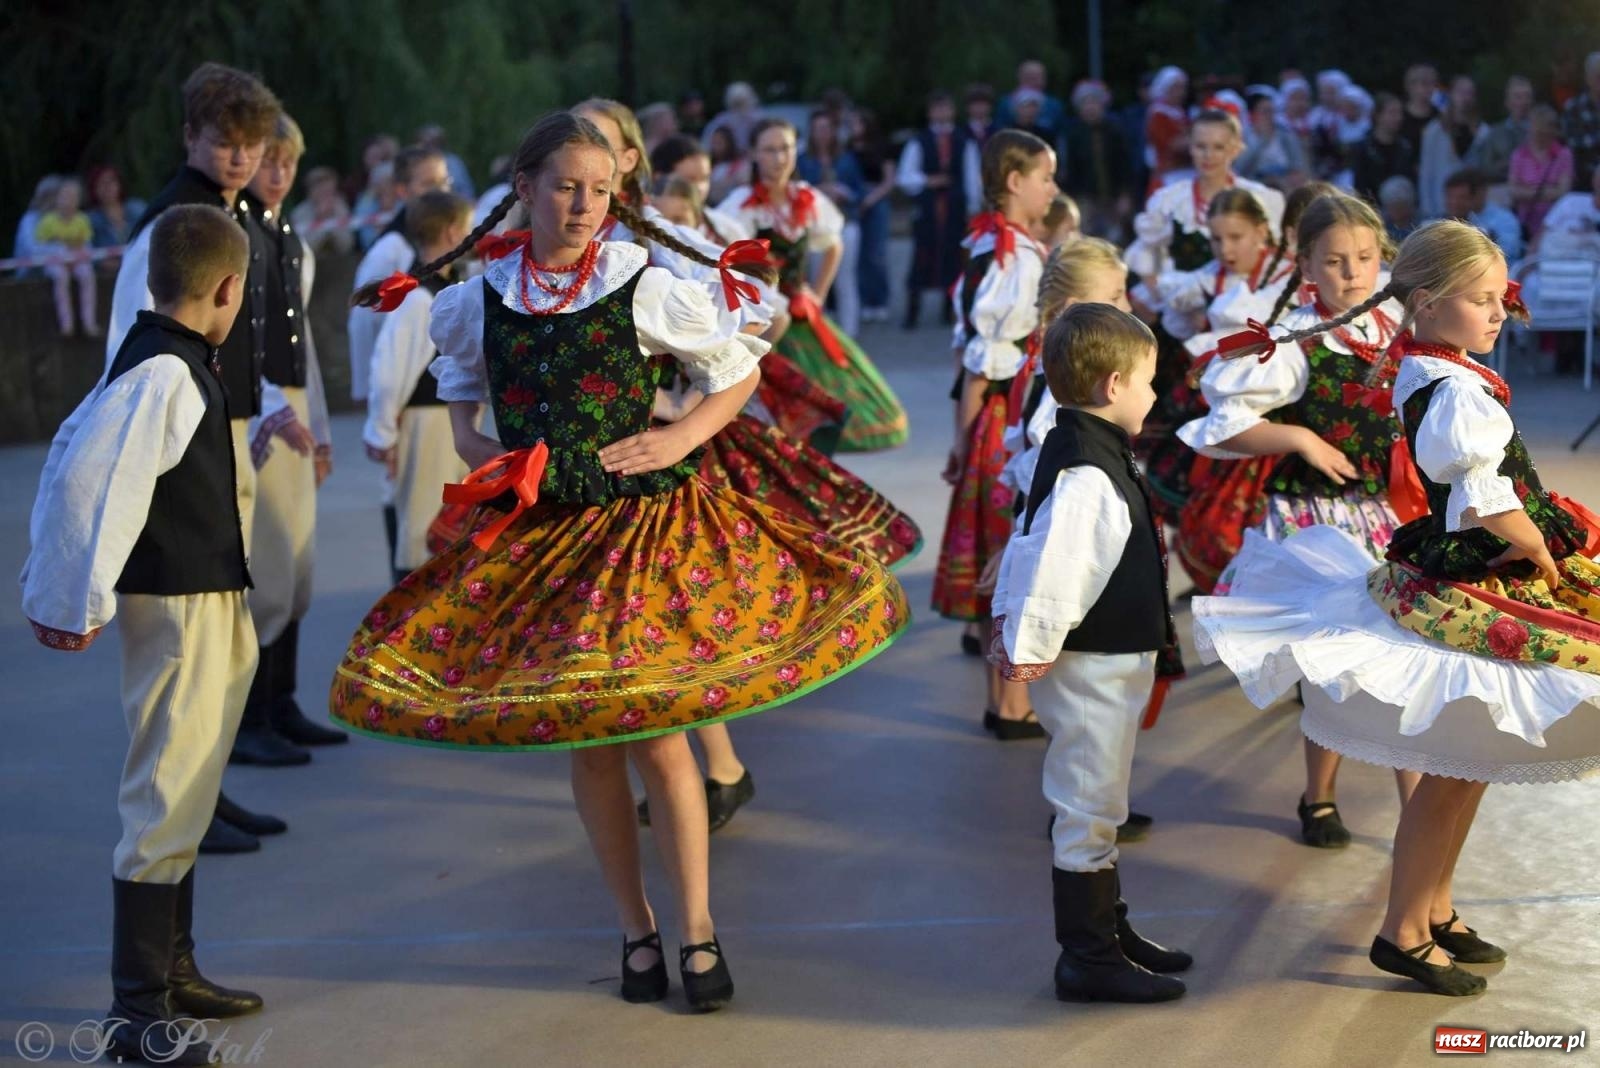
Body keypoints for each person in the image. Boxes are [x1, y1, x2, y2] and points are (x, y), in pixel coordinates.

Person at [335, 111, 910, 1011]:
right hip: (542, 535)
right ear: (523, 188)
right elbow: (460, 410)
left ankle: (698, 929)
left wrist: (679, 435)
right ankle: (634, 928)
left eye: (599, 190)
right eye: (566, 186)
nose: (584, 205)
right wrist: (491, 455)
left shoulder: (638, 283)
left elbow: (740, 371)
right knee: (591, 746)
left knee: (660, 736)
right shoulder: (473, 300)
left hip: (640, 530)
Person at [1194, 219, 1600, 996]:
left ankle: (1435, 908)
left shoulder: (1436, 367)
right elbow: (1484, 501)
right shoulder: (1451, 388)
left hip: (1473, 566)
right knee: (1454, 767)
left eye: (1497, 298)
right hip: (1480, 573)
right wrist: (1545, 554)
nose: (1497, 312)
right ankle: (1404, 929)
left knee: (1466, 766)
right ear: (1426, 302)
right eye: (1481, 299)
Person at [22, 205, 265, 1066]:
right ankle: (137, 1013)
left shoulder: (169, 358)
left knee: (190, 782)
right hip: (177, 604)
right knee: (164, 789)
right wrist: (69, 599)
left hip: (206, 596)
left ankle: (175, 970)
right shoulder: (161, 371)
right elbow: (88, 476)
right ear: (230, 288)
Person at [1180, 192, 1420, 844]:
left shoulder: (1396, 321)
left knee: (1403, 657)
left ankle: (1417, 811)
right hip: (1315, 524)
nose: (1353, 273)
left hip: (1381, 517)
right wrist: (1300, 440)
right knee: (1331, 668)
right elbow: (1226, 427)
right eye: (1336, 261)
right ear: (1306, 265)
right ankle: (1319, 796)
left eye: (1366, 258)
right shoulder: (1290, 340)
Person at [990, 303, 1190, 1004]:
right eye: (1148, 383)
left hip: (1110, 665)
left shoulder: (1086, 446)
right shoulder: (1086, 474)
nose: (1155, 396)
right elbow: (1055, 567)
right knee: (1086, 803)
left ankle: (1111, 932)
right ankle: (1087, 958)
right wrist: (1029, 645)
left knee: (1101, 801)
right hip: (1089, 670)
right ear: (1112, 386)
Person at [935, 130, 1056, 734]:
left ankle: (1001, 697)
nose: (1051, 188)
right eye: (1045, 177)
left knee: (996, 556)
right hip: (1005, 422)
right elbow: (984, 362)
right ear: (1015, 182)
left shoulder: (986, 240)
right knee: (1010, 557)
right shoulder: (1014, 257)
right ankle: (1013, 702)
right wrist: (964, 442)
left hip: (990, 419)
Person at [236, 111, 345, 765]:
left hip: (296, 400)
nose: (278, 175)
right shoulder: (236, 229)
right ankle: (249, 720)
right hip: (259, 406)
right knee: (269, 572)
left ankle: (282, 702)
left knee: (298, 571)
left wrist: (323, 431)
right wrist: (274, 409)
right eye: (267, 161)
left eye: (288, 164)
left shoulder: (289, 236)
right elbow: (234, 341)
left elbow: (299, 336)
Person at [720, 117, 910, 451]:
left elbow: (834, 243)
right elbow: (724, 260)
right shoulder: (741, 205)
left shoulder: (804, 197)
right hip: (761, 318)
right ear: (753, 154)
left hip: (800, 312)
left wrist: (817, 293)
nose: (779, 158)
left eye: (786, 149)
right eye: (769, 150)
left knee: (830, 402)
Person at [363, 190, 473, 582]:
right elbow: (388, 371)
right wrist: (383, 436)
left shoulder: (441, 291)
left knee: (445, 527)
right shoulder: (417, 300)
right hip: (426, 424)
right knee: (422, 527)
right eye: (468, 227)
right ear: (451, 232)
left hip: (446, 424)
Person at [347, 144, 452, 402]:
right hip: (406, 395)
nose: (440, 192)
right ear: (403, 191)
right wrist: (371, 393)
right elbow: (363, 320)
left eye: (444, 182)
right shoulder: (390, 250)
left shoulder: (454, 239)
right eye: (429, 184)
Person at [897, 90, 979, 329]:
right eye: (937, 108)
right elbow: (905, 176)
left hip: (954, 208)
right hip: (928, 209)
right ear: (930, 112)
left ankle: (948, 310)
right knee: (922, 257)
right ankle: (912, 311)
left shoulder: (964, 141)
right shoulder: (919, 141)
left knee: (953, 258)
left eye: (946, 108)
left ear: (952, 111)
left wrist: (972, 207)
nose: (942, 113)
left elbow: (972, 176)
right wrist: (927, 181)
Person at [797, 109, 865, 335]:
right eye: (818, 129)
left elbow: (859, 191)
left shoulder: (846, 158)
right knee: (819, 280)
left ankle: (849, 334)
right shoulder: (803, 160)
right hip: (816, 226)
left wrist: (843, 192)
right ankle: (821, 332)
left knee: (846, 279)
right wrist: (818, 191)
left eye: (827, 129)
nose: (823, 134)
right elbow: (795, 191)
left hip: (845, 222)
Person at [1063, 80, 1134, 240]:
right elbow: (1071, 168)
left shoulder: (1115, 131)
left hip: (1112, 196)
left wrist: (1125, 195)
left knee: (1114, 239)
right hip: (1085, 198)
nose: (1090, 107)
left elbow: (1124, 164)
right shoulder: (1073, 134)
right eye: (1085, 103)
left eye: (1094, 102)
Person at [848, 108, 896, 322]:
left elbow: (889, 180)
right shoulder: (848, 148)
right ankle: (864, 300)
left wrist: (871, 198)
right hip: (854, 199)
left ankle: (879, 300)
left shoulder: (881, 147)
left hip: (876, 199)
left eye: (857, 123)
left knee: (875, 253)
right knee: (857, 254)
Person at [36, 177, 100, 337]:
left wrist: (75, 258)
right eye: (64, 196)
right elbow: (42, 248)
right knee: (60, 278)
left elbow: (86, 245)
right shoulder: (47, 221)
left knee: (87, 276)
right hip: (56, 263)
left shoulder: (82, 220)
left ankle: (89, 323)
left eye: (72, 197)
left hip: (77, 261)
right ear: (56, 199)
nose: (68, 201)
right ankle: (66, 324)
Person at [1418, 76, 1489, 219]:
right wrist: (1427, 209)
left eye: (1470, 93)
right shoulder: (1434, 130)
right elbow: (1426, 172)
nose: (1465, 98)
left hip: (1473, 212)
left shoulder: (1483, 131)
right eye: (1461, 92)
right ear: (1451, 95)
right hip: (1439, 206)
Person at [1507, 104, 1574, 244]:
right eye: (1536, 131)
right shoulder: (1519, 155)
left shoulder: (1564, 155)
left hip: (1556, 224)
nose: (1539, 136)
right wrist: (1547, 192)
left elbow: (1563, 192)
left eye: (1544, 132)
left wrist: (1527, 191)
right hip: (1525, 223)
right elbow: (1513, 191)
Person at [1351, 92, 1418, 204]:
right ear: (1378, 115)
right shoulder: (1364, 149)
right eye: (1392, 113)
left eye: (1400, 113)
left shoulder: (1406, 147)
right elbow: (1360, 187)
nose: (1398, 118)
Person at [1442, 169, 1523, 260]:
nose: (1454, 203)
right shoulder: (1444, 222)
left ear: (1480, 193)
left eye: (1462, 197)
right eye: (1450, 197)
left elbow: (1509, 253)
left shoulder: (1504, 219)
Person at [1239, 88, 1310, 190]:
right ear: (1254, 113)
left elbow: (1297, 164)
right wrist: (1263, 140)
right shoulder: (1244, 136)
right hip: (1255, 182)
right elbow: (1241, 169)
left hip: (1284, 181)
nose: (1270, 116)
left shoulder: (1285, 135)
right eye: (1265, 112)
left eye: (1272, 111)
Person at [1476, 76, 1536, 187]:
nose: (1524, 102)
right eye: (1518, 97)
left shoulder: (1542, 132)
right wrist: (1511, 163)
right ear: (1507, 102)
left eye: (1527, 96)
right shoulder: (1495, 133)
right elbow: (1484, 169)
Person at [996, 60, 1066, 144]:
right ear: (1020, 77)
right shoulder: (1006, 103)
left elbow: (1061, 136)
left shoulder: (1054, 105)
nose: (1037, 81)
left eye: (1040, 76)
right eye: (1031, 77)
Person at [290, 165, 354, 256]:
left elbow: (347, 245)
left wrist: (330, 220)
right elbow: (304, 248)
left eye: (330, 191)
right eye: (321, 189)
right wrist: (321, 218)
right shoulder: (299, 213)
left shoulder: (340, 206)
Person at [1143, 67, 1190, 187]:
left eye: (1183, 87)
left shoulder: (1180, 113)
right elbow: (1172, 144)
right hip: (1169, 172)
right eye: (1177, 87)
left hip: (1185, 170)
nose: (1181, 92)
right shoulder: (1158, 114)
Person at [1560, 51, 1600, 179]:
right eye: (1598, 76)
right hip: (1585, 178)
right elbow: (1573, 144)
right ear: (1588, 78)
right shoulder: (1573, 108)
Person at [87, 165, 147, 249]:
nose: (107, 187)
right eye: (101, 183)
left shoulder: (137, 207)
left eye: (111, 181)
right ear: (94, 188)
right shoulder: (91, 220)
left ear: (120, 184)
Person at [701, 80, 763, 154]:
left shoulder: (758, 119)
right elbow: (707, 142)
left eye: (742, 101)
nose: (740, 106)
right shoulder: (722, 120)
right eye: (737, 102)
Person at [416, 123, 474, 199]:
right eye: (429, 142)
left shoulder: (454, 162)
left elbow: (467, 190)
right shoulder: (415, 163)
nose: (433, 145)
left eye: (436, 141)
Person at [1399, 63, 1442, 153]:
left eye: (1432, 83)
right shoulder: (1397, 115)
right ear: (1407, 86)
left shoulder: (1442, 117)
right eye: (1414, 82)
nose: (1422, 88)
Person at [1379, 174, 1421, 242]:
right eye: (1392, 205)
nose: (1395, 210)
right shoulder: (1382, 230)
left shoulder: (1422, 225)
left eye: (1400, 205)